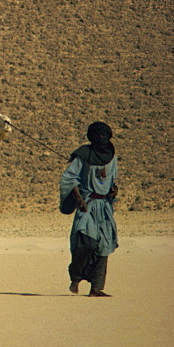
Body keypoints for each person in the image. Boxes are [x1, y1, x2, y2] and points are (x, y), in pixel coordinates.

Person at [60, 121, 119, 297]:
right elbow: (69, 178)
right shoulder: (83, 155)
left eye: (104, 135)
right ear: (91, 137)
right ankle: (76, 276)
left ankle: (96, 288)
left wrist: (114, 189)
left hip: (105, 206)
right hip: (88, 205)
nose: (101, 138)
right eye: (97, 135)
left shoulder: (112, 156)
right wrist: (79, 199)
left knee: (104, 247)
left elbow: (111, 178)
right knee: (87, 242)